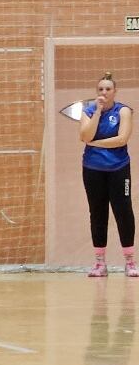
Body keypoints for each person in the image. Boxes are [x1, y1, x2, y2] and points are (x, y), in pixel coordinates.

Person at [79, 72, 134, 277]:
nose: (104, 92)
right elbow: (85, 135)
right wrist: (97, 112)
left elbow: (121, 139)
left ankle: (130, 262)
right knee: (97, 213)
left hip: (119, 168)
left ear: (115, 91)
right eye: (100, 89)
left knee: (123, 212)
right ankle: (100, 264)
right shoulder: (89, 110)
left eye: (108, 89)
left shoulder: (124, 111)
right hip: (93, 169)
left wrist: (96, 144)